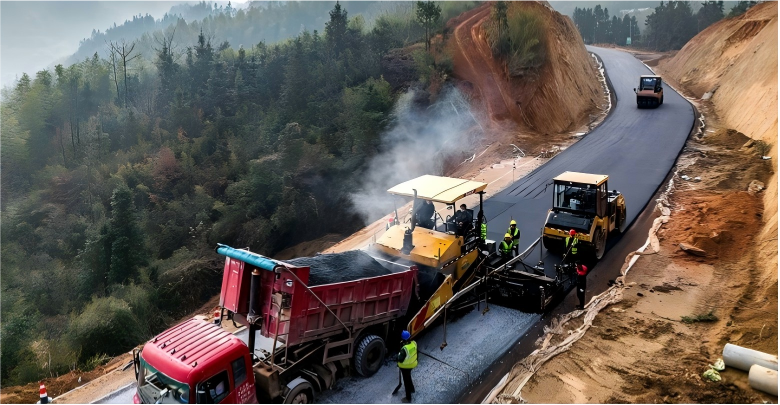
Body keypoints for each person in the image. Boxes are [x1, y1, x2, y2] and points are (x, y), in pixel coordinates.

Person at [396, 330, 417, 403]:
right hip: (412, 364)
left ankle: (408, 398)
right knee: (409, 377)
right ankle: (412, 389)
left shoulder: (404, 349)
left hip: (405, 367)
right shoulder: (414, 343)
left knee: (406, 381)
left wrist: (397, 356)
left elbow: (400, 359)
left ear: (403, 339)